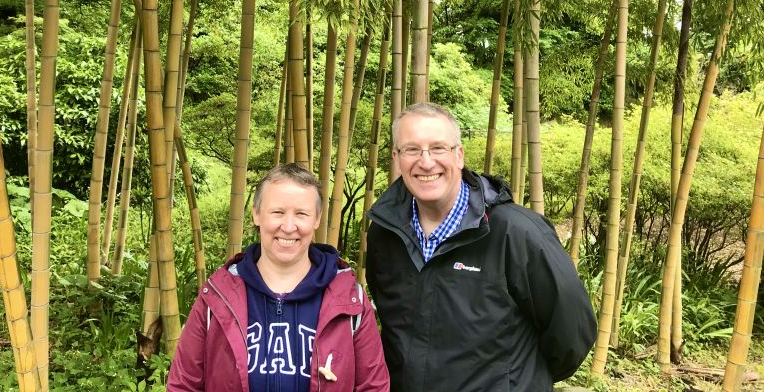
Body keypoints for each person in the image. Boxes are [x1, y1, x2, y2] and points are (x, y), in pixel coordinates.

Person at [366, 102, 597, 392]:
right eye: (412, 149)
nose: (426, 162)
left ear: (459, 155)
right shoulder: (386, 233)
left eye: (438, 148)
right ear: (397, 158)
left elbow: (572, 331)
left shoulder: (516, 233)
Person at [168, 163, 389, 392]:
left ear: (316, 219)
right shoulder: (216, 298)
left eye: (301, 214)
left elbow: (374, 386)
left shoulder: (350, 301)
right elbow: (183, 385)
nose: (289, 226)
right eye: (278, 212)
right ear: (256, 213)